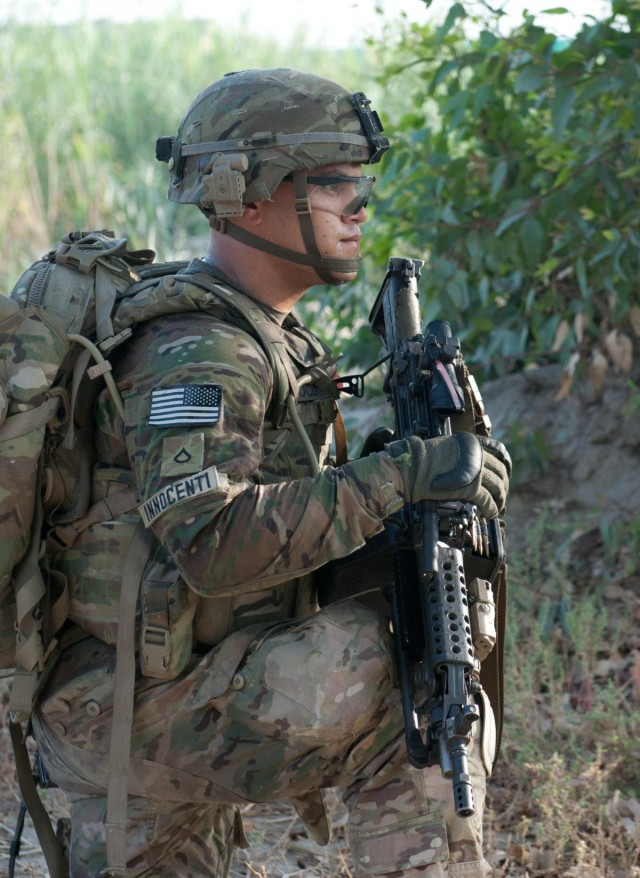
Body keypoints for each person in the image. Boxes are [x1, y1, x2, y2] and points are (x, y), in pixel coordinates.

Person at [31, 67, 511, 877]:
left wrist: (413, 483)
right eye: (336, 187)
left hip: (167, 677)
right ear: (243, 193)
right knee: (414, 698)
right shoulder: (201, 351)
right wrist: (401, 478)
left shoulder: (262, 334)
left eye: (363, 188)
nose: (361, 210)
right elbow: (211, 540)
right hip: (132, 707)